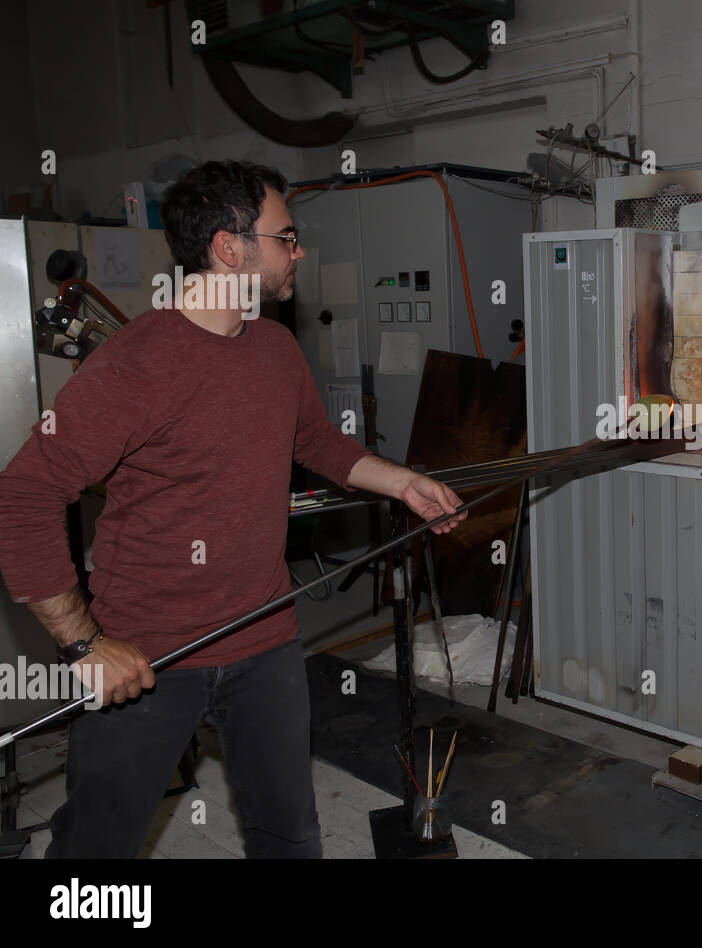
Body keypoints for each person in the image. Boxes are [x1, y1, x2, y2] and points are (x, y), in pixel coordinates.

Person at [0, 160, 464, 858]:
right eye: (286, 236)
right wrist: (85, 645)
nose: (299, 251)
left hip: (265, 640)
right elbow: (24, 496)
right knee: (97, 848)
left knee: (289, 834)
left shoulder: (275, 349)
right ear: (228, 248)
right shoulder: (133, 366)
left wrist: (398, 481)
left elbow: (314, 441)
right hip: (149, 652)